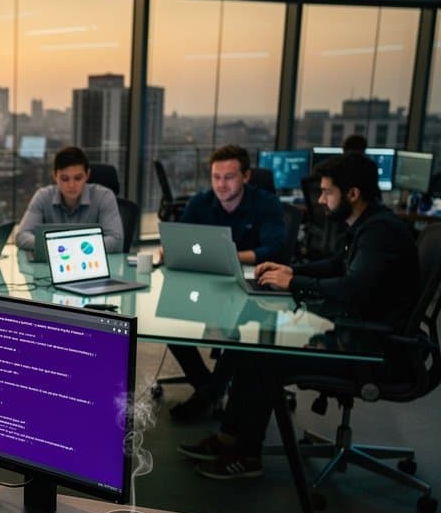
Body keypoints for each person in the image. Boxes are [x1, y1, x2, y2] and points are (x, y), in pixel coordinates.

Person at [179, 152, 420, 479]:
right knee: (252, 345)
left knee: (265, 356)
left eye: (327, 192)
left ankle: (248, 457)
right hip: (355, 332)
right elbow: (335, 265)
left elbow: (351, 289)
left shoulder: (380, 233)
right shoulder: (367, 224)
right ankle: (229, 438)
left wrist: (294, 282)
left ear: (352, 194)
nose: (320, 199)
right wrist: (290, 270)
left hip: (373, 349)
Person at [165, 144, 287, 422]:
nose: (221, 184)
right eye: (216, 177)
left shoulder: (266, 204)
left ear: (246, 176)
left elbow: (274, 249)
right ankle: (208, 389)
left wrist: (226, 255)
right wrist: (171, 249)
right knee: (169, 325)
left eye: (229, 177)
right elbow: (181, 240)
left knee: (240, 329)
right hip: (209, 283)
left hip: (253, 289)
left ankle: (206, 396)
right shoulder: (201, 203)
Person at [15, 146, 123, 254]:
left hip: (91, 266)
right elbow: (22, 236)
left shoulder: (104, 196)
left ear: (87, 175)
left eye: (78, 178)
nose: (71, 185)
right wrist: (66, 246)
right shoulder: (43, 196)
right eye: (65, 179)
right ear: (55, 176)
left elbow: (116, 241)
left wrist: (64, 247)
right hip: (54, 266)